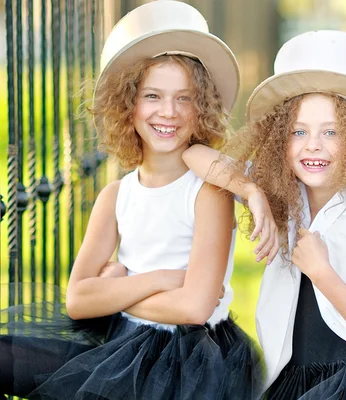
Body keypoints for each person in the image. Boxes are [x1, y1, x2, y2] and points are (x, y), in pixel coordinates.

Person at [1, 2, 261, 399]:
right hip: (121, 342)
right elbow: (77, 301)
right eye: (152, 95)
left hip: (189, 360)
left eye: (184, 98)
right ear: (129, 106)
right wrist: (157, 281)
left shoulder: (208, 192)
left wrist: (116, 294)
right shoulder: (116, 195)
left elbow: (194, 308)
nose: (168, 112)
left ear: (202, 108)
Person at [183, 30, 346, 399]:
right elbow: (194, 155)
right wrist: (250, 190)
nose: (313, 145)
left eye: (332, 132)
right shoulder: (283, 199)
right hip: (290, 378)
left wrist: (322, 273)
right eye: (299, 131)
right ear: (280, 139)